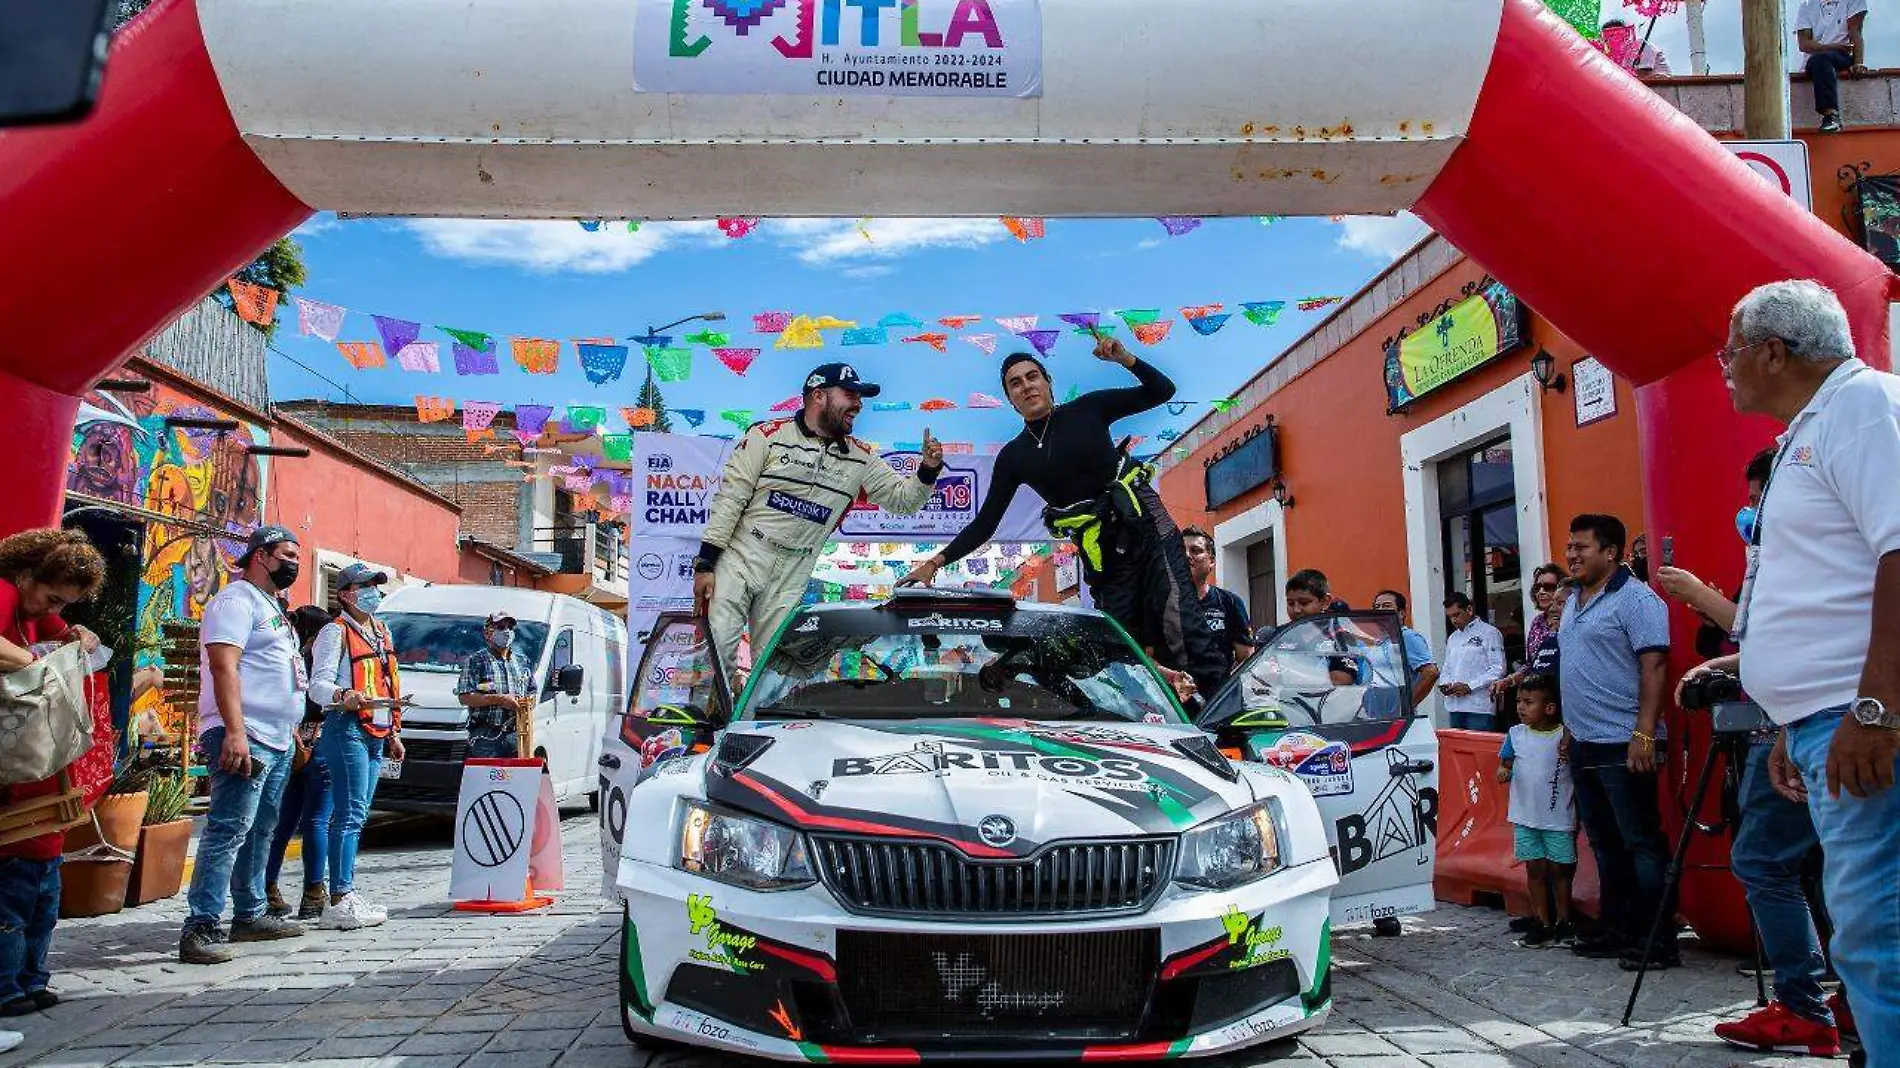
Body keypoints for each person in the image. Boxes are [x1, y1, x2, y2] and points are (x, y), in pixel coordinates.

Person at [1684, 280, 1899, 1066]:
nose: (1725, 368)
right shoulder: (1814, 429)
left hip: (1863, 718)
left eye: (1731, 350)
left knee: (1876, 929)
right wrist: (1788, 717)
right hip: (1821, 721)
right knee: (1867, 923)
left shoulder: (1865, 408)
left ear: (1774, 351)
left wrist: (1875, 708)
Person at [900, 339, 1226, 700]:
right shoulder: (1014, 457)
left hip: (1146, 527)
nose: (1027, 386)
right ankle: (1153, 710)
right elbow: (985, 522)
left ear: (1048, 382)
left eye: (1032, 376)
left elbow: (1162, 390)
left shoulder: (1089, 409)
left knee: (1179, 622)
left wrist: (1124, 359)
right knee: (1118, 642)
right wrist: (934, 563)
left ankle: (1222, 718)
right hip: (1103, 553)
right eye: (1016, 383)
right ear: (1010, 399)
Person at [696, 363, 943, 679]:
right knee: (717, 644)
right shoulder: (767, 436)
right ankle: (708, 722)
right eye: (850, 394)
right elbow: (731, 498)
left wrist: (929, 468)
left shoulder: (861, 457)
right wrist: (706, 563)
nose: (858, 404)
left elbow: (903, 500)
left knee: (774, 663)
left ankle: (770, 720)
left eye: (860, 397)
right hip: (743, 552)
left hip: (794, 567)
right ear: (818, 396)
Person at [180, 525, 309, 965]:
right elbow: (224, 666)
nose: (293, 562)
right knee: (227, 829)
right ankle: (202, 924)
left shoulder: (271, 606)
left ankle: (249, 912)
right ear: (260, 556)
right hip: (244, 733)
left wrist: (290, 728)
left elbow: (279, 672)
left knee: (261, 828)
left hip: (276, 737)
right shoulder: (234, 602)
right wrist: (235, 732)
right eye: (287, 554)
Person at [0, 529, 107, 1042]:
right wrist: (42, 668)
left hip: (24, 772)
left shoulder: (27, 608)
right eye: (52, 596)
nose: (53, 607)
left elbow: (65, 634)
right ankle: (8, 985)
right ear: (25, 576)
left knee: (41, 889)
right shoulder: (3, 595)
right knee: (16, 892)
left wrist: (76, 634)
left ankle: (29, 979)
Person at [1556, 513, 1674, 970]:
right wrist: (1569, 728)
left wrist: (1644, 733)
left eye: (1582, 547)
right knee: (1604, 843)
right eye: (1570, 547)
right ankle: (1617, 927)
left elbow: (1656, 667)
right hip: (1585, 741)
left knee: (1641, 842)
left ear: (1611, 553)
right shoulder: (1573, 601)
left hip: (1626, 742)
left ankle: (1657, 939)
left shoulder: (1637, 600)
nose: (1572, 554)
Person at [306, 563, 404, 931]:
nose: (373, 593)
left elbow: (387, 684)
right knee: (348, 814)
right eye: (365, 587)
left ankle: (345, 891)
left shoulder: (381, 631)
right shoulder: (334, 632)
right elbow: (317, 686)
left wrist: (394, 732)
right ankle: (339, 898)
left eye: (376, 587)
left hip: (377, 731)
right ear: (346, 594)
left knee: (357, 815)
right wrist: (342, 694)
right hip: (347, 727)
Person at [265, 606, 336, 923]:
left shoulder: (287, 658)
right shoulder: (325, 663)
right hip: (320, 744)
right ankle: (312, 892)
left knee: (283, 822)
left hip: (290, 744)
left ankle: (268, 889)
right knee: (318, 820)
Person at [1496, 674, 1577, 948]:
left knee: (1561, 871)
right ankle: (1541, 922)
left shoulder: (1564, 735)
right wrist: (1504, 770)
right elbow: (1505, 761)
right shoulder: (1515, 735)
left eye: (1529, 702)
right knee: (1535, 870)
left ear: (1550, 707)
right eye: (1519, 701)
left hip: (1558, 818)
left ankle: (1564, 921)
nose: (1520, 707)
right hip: (1524, 817)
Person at [457, 611, 539, 760]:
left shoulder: (522, 662)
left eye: (510, 627)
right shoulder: (476, 660)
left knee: (517, 780)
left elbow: (532, 691)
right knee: (487, 781)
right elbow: (465, 697)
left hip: (517, 735)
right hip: (485, 736)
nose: (506, 631)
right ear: (488, 632)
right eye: (501, 627)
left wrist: (526, 702)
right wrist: (499, 699)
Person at [1181, 527, 1254, 678]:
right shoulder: (1159, 604)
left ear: (1212, 561)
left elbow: (1246, 658)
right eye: (1181, 550)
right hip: (1170, 697)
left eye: (1196, 550)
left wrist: (1224, 690)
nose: (1187, 555)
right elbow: (1148, 656)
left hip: (1218, 698)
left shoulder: (1230, 603)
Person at [1796, 0, 1869, 133]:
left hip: (1842, 55)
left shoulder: (1853, 2)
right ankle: (1831, 115)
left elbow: (1856, 31)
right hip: (1816, 58)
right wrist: (1831, 46)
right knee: (1819, 60)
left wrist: (1858, 63)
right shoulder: (1807, 6)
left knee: (1821, 59)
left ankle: (1831, 115)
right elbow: (1804, 44)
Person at [1438, 592, 1505, 731]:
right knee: (1458, 749)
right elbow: (1447, 668)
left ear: (1469, 610)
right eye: (1450, 617)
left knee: (1479, 748)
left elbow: (1498, 668)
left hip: (1479, 706)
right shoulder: (1453, 638)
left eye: (1456, 615)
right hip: (1455, 705)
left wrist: (1470, 686)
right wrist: (1445, 684)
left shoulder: (1490, 633)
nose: (1453, 620)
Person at [1370, 589, 1440, 708]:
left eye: (1386, 606)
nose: (1380, 610)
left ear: (1401, 613)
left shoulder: (1407, 637)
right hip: (1377, 714)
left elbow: (1431, 673)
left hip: (1395, 716)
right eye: (1377, 607)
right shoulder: (1382, 641)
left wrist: (1406, 706)